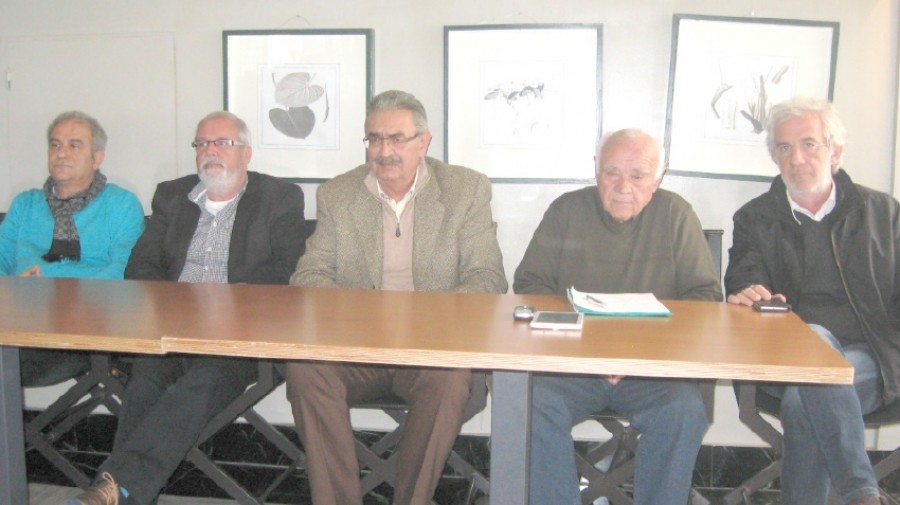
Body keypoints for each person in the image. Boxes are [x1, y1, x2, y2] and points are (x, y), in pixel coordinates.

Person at [68, 111, 306, 505]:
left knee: (201, 384)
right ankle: (120, 491)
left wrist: (227, 302)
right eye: (202, 143)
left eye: (222, 143)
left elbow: (288, 268)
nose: (210, 151)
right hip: (171, 330)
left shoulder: (279, 197)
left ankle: (113, 489)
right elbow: (141, 266)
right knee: (145, 382)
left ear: (246, 153)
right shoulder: (171, 196)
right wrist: (178, 307)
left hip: (238, 337)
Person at [284, 89, 507, 505]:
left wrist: (421, 321)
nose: (384, 151)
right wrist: (366, 318)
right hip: (356, 349)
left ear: (424, 143)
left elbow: (488, 278)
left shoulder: (465, 190)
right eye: (374, 138)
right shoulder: (337, 194)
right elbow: (309, 276)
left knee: (451, 380)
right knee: (304, 368)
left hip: (433, 351)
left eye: (396, 139)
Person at [514, 128, 722, 505]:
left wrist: (639, 353)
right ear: (596, 169)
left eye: (638, 176)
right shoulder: (566, 211)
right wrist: (590, 351)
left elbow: (705, 297)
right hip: (572, 366)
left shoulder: (677, 215)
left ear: (658, 177)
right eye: (612, 172)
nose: (623, 187)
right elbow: (530, 285)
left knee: (684, 412)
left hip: (652, 368)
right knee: (529, 402)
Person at [724, 96, 887, 505]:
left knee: (805, 398)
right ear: (775, 158)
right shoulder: (754, 218)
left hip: (873, 359)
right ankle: (861, 493)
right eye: (784, 147)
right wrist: (748, 292)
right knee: (812, 342)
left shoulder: (883, 213)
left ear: (836, 152)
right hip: (785, 358)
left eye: (809, 144)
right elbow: (743, 275)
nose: (796, 158)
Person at [0, 110, 144, 387]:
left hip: (90, 329)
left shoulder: (121, 205)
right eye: (55, 144)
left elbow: (125, 272)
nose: (62, 153)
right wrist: (13, 290)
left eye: (74, 145)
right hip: (21, 323)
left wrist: (49, 287)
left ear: (97, 158)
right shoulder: (25, 204)